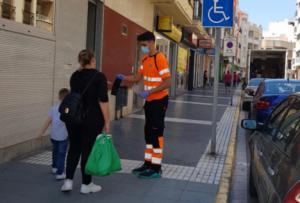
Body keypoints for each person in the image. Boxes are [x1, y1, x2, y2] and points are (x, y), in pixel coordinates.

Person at [117, 31, 171, 179]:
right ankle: (147, 163)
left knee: (156, 133)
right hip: (149, 101)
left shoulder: (160, 59)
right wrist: (125, 78)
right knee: (148, 133)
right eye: (141, 46)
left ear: (152, 42)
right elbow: (137, 77)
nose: (142, 48)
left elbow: (168, 82)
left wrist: (150, 91)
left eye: (144, 45)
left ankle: (156, 167)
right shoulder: (145, 59)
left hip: (159, 101)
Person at [61, 49, 110, 194]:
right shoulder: (99, 77)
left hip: (74, 118)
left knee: (74, 149)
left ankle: (68, 182)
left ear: (81, 61)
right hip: (92, 120)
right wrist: (107, 121)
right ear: (93, 60)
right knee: (87, 151)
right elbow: (103, 101)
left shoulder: (75, 75)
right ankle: (86, 184)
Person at [38, 88, 70, 180]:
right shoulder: (67, 109)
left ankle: (54, 168)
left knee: (55, 152)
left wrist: (41, 132)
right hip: (63, 136)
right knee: (61, 154)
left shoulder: (53, 108)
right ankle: (60, 173)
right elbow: (69, 121)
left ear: (59, 97)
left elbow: (48, 121)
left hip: (54, 135)